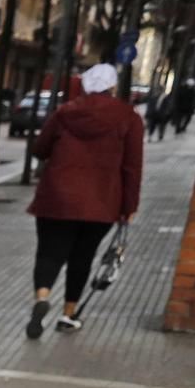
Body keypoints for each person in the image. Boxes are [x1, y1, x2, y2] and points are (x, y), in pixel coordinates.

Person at [25, 64, 141, 339]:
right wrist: (130, 205)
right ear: (113, 88)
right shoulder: (129, 118)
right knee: (82, 257)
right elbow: (132, 167)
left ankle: (42, 298)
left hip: (58, 198)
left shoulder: (65, 113)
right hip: (101, 202)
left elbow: (40, 149)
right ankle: (68, 314)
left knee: (49, 253)